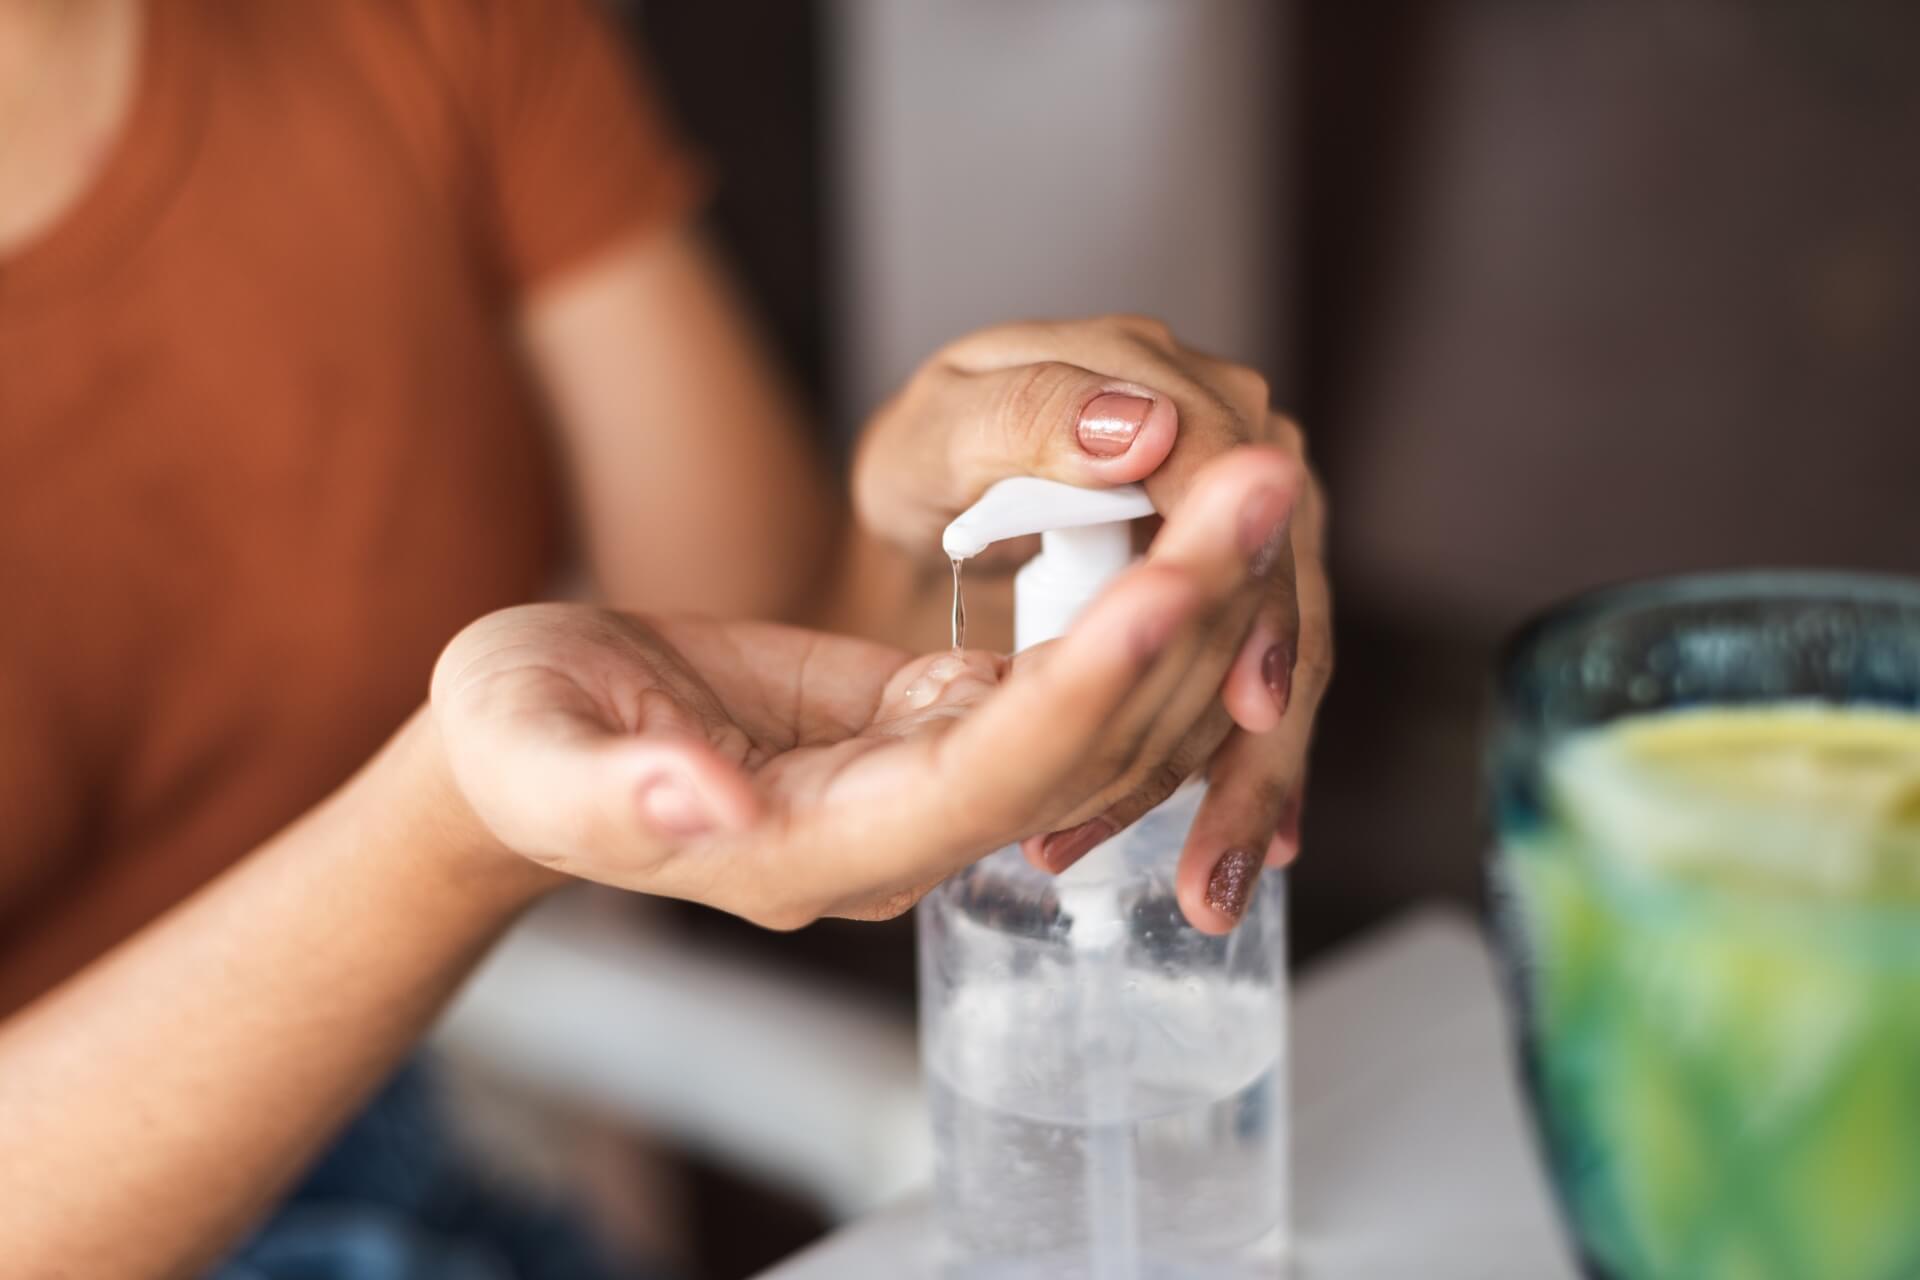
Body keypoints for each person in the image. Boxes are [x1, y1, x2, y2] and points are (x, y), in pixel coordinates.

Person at [0, 0, 1330, 1274]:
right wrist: (444, 838)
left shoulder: (413, 24)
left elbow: (768, 663)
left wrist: (931, 516)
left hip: (402, 1177)